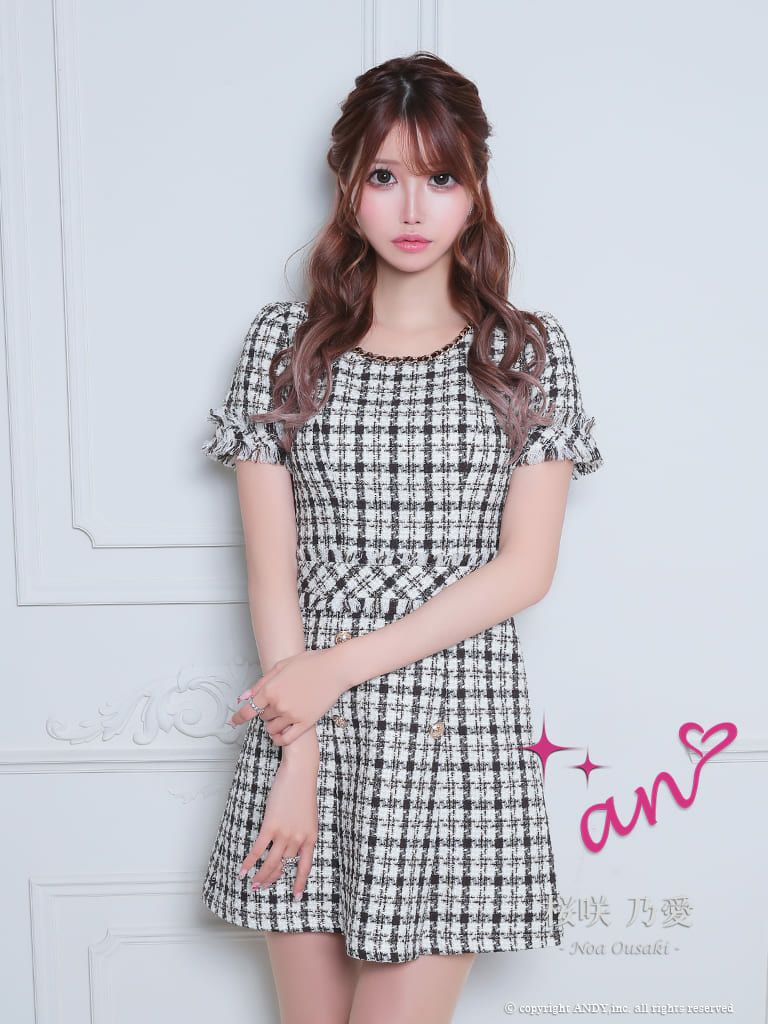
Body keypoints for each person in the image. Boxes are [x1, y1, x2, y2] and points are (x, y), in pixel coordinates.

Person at [199, 51, 603, 1024]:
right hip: (307, 732)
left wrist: (335, 670)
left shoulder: (523, 350)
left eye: (441, 177)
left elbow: (524, 571)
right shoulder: (285, 346)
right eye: (385, 176)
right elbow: (274, 575)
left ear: (476, 190)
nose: (413, 209)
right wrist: (297, 758)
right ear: (348, 185)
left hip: (453, 727)